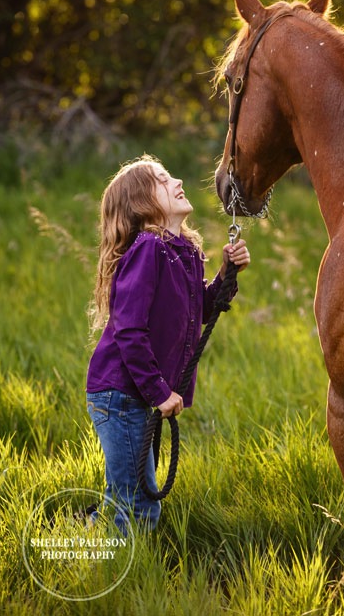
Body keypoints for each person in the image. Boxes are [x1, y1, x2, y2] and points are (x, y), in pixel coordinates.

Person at [85, 154, 250, 533]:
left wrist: (226, 272)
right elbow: (129, 330)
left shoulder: (184, 251)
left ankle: (91, 532)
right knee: (141, 507)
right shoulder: (148, 249)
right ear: (143, 203)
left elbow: (200, 310)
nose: (176, 180)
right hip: (121, 395)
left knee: (125, 492)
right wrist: (160, 392)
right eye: (163, 179)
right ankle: (118, 575)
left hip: (137, 395)